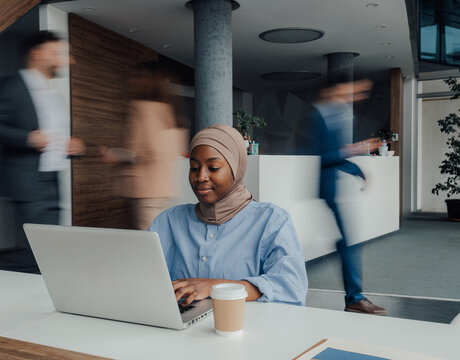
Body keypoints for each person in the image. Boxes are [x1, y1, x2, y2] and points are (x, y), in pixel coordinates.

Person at [149, 124, 308, 306]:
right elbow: (141, 277)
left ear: (236, 168)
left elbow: (292, 288)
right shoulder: (169, 220)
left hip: (247, 328)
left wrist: (216, 287)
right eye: (194, 167)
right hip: (179, 329)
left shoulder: (272, 221)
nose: (200, 177)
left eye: (214, 168)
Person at [0, 31, 85, 237]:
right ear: (36, 54)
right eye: (56, 53)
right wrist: (28, 138)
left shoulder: (54, 94)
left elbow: (54, 139)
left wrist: (72, 148)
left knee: (48, 246)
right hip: (27, 182)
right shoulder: (11, 85)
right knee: (40, 250)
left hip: (53, 181)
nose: (66, 60)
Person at [308, 77, 386, 315]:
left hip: (339, 189)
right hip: (331, 191)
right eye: (351, 89)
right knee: (350, 244)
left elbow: (337, 158)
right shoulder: (319, 114)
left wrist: (358, 170)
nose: (356, 94)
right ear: (332, 89)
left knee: (347, 243)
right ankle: (354, 298)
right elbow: (324, 156)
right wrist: (358, 148)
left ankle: (354, 293)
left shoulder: (340, 114)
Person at [99, 62, 187, 230]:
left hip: (146, 191)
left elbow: (148, 151)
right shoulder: (170, 110)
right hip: (165, 188)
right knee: (161, 241)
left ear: (148, 81)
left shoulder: (143, 108)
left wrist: (115, 155)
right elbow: (171, 150)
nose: (131, 80)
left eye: (137, 76)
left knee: (149, 244)